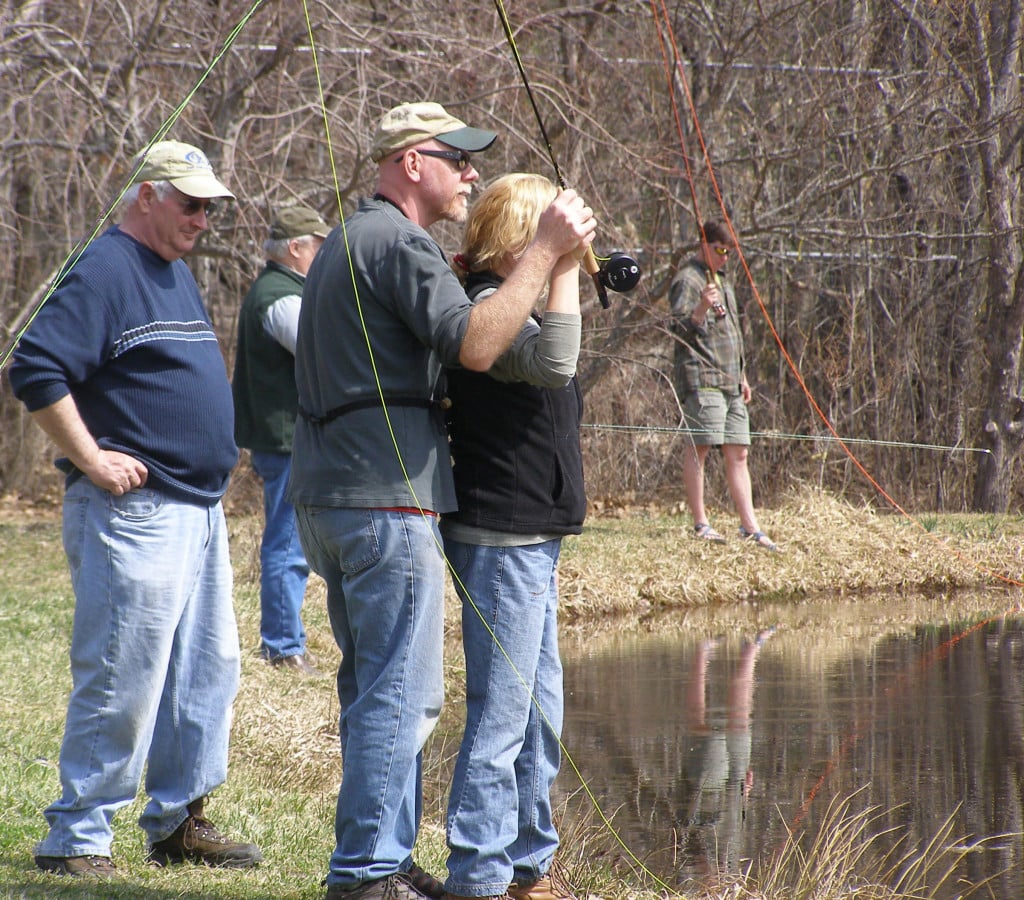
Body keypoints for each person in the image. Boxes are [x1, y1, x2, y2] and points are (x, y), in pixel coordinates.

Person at [288, 102, 596, 900]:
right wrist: (548, 251)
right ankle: (368, 875)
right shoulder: (396, 240)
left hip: (333, 496)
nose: (470, 173)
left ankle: (383, 863)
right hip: (383, 503)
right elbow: (478, 343)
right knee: (403, 694)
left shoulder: (349, 238)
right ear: (411, 163)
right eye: (457, 158)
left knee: (377, 689)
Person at [9, 140, 262, 879]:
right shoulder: (105, 268)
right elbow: (35, 366)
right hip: (135, 513)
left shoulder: (172, 270)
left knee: (205, 673)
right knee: (123, 673)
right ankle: (77, 836)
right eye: (191, 203)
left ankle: (179, 821)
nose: (203, 218)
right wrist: (91, 458)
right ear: (147, 195)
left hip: (198, 509)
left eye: (210, 207)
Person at [441, 174, 585, 900]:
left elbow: (558, 356)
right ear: (514, 241)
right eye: (544, 233)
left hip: (531, 539)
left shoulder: (513, 309)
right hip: (501, 539)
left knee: (539, 715)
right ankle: (478, 875)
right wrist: (561, 262)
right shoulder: (486, 312)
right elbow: (556, 361)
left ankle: (528, 867)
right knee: (502, 719)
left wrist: (563, 264)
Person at [233, 204, 330, 676]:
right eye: (318, 246)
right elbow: (324, 351)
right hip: (287, 441)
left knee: (290, 543)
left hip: (288, 440)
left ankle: (284, 642)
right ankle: (282, 647)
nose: (325, 255)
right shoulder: (280, 298)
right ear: (295, 248)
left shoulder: (281, 290)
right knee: (288, 546)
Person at [668, 219, 778, 551]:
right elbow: (677, 331)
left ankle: (750, 527)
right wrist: (701, 307)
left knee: (739, 452)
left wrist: (742, 376)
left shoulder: (723, 281)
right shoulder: (687, 280)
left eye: (730, 252)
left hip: (731, 381)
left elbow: (731, 333)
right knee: (700, 447)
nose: (725, 257)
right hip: (702, 379)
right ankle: (701, 523)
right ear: (704, 244)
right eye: (720, 250)